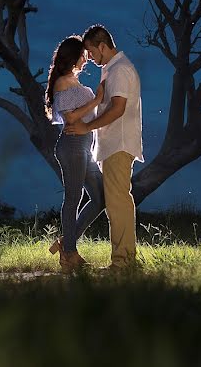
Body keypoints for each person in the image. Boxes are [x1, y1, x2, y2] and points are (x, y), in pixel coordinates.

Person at [65, 24, 143, 269]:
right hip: (114, 145)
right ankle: (124, 259)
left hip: (119, 144)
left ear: (102, 46)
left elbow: (118, 108)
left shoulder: (119, 70)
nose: (89, 58)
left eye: (91, 52)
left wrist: (86, 128)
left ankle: (123, 263)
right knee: (117, 201)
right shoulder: (113, 69)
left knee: (118, 202)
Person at [45, 35, 106, 273]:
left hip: (83, 147)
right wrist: (98, 99)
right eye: (84, 54)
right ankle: (69, 254)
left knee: (100, 197)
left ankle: (65, 243)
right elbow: (70, 117)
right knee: (73, 198)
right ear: (75, 56)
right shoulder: (62, 82)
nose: (87, 58)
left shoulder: (73, 81)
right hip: (72, 145)